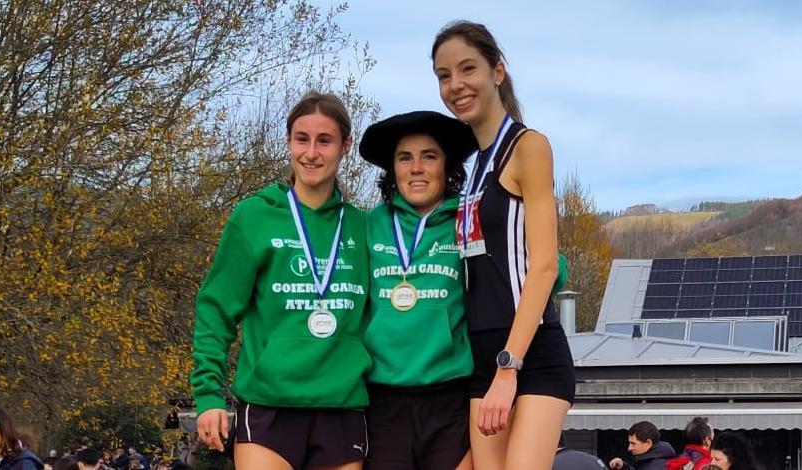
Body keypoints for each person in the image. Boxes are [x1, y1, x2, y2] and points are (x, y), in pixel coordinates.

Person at [190, 91, 371, 470]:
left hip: (341, 408)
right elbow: (216, 311)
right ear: (289, 142)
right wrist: (208, 396)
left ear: (345, 146)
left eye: (325, 141)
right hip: (268, 407)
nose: (311, 153)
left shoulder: (361, 226)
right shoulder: (254, 217)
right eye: (301, 139)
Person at [431, 20, 574, 470]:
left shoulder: (529, 147)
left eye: (467, 68)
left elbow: (545, 266)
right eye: (443, 75)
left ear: (497, 71)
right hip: (479, 354)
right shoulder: (469, 167)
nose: (456, 85)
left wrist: (509, 367)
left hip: (529, 355)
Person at [359, 111, 477, 469]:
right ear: (392, 170)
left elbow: (541, 268)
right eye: (404, 158)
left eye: (429, 156)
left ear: (447, 166)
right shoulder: (368, 224)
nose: (416, 168)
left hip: (450, 396)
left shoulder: (471, 219)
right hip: (382, 401)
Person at [608, 421, 676, 470]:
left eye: (633, 443)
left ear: (648, 443)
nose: (629, 448)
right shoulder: (654, 461)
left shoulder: (655, 466)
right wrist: (623, 467)